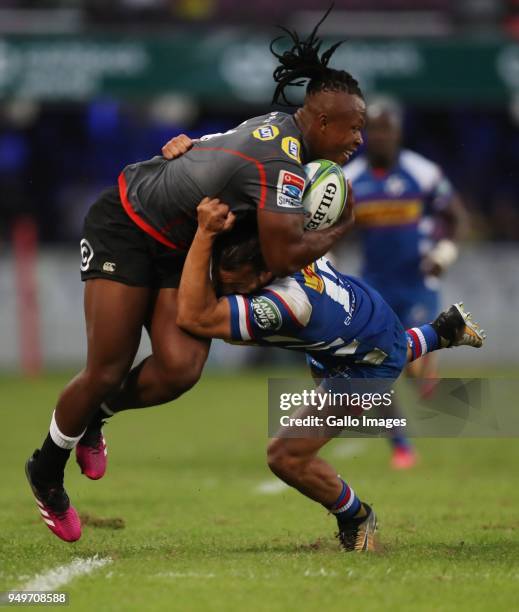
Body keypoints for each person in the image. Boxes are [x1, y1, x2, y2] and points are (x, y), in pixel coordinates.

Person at [25, 9, 368, 543]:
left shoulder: (281, 136)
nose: (359, 138)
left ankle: (96, 416)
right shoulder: (281, 163)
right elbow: (281, 258)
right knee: (106, 367)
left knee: (181, 367)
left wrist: (183, 148)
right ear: (322, 123)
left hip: (180, 242)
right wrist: (344, 224)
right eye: (354, 127)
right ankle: (45, 472)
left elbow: (214, 149)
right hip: (127, 222)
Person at [171, 198, 485, 552]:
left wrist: (203, 232)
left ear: (262, 275)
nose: (225, 290)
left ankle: (356, 515)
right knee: (371, 348)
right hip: (364, 315)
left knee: (286, 456)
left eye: (234, 285)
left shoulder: (288, 305)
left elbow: (194, 317)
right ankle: (442, 331)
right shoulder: (287, 245)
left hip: (363, 367)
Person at [343, 97, 468, 469]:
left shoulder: (423, 172)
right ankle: (400, 444)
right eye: (374, 130)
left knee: (412, 369)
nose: (380, 136)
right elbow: (332, 229)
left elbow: (456, 216)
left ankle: (425, 371)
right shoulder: (350, 181)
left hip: (416, 284)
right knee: (373, 371)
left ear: (398, 133)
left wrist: (445, 250)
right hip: (374, 288)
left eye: (387, 129)